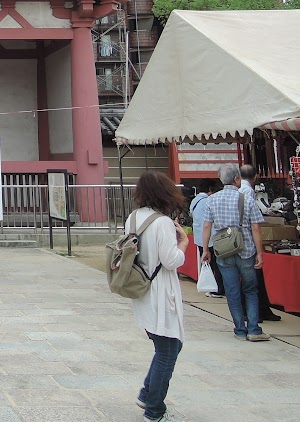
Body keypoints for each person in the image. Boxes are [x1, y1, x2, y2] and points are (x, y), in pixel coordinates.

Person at [127, 172, 188, 422]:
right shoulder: (162, 222)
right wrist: (183, 243)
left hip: (142, 288)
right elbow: (171, 260)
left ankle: (146, 394)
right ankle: (154, 410)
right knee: (168, 350)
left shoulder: (133, 218)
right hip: (161, 291)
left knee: (166, 347)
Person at [200, 163, 268, 342]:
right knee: (250, 290)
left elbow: (206, 226)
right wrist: (260, 252)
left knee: (232, 291)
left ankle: (239, 329)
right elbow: (255, 228)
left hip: (224, 251)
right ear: (237, 179)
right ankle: (253, 329)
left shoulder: (212, 200)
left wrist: (206, 249)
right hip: (246, 250)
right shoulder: (246, 199)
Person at [239, 165, 281, 322]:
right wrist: (259, 250)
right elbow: (255, 225)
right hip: (248, 241)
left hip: (241, 240)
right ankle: (255, 312)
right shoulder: (248, 192)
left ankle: (258, 310)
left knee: (248, 279)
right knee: (252, 280)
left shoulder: (239, 190)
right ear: (255, 177)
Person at [188, 180, 224, 298]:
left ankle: (208, 286)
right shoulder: (208, 201)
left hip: (199, 238)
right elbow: (209, 223)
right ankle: (217, 289)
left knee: (206, 264)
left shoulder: (194, 201)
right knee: (216, 264)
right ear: (210, 189)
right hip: (211, 238)